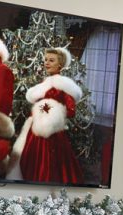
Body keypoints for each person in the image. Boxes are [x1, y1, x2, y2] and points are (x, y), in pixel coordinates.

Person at [8, 47, 83, 184]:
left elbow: (71, 111)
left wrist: (54, 112)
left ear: (60, 64)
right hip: (35, 129)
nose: (47, 63)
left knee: (51, 164)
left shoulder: (63, 85)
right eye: (46, 60)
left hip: (53, 133)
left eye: (51, 60)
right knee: (30, 160)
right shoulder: (44, 83)